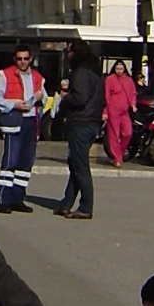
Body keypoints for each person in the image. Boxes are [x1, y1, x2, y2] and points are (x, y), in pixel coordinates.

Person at [0, 44, 45, 211]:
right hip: (14, 121)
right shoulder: (5, 75)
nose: (22, 62)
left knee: (25, 162)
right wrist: (14, 105)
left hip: (32, 121)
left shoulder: (37, 77)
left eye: (26, 59)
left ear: (31, 59)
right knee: (11, 160)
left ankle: (18, 198)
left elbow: (45, 97)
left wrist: (40, 97)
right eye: (19, 59)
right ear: (15, 59)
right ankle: (3, 200)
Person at [56, 41, 104, 221]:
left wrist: (66, 97)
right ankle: (66, 203)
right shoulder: (94, 71)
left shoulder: (82, 72)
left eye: (68, 51)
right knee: (75, 164)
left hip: (81, 122)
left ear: (75, 53)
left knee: (81, 166)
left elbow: (80, 98)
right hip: (91, 121)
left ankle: (86, 206)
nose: (67, 55)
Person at [102, 59, 138, 167]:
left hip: (125, 111)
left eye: (121, 69)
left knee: (128, 133)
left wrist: (133, 104)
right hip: (113, 110)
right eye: (117, 69)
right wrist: (105, 111)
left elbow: (133, 93)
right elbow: (106, 96)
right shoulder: (109, 79)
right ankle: (117, 158)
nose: (119, 71)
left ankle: (119, 154)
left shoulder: (128, 80)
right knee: (114, 134)